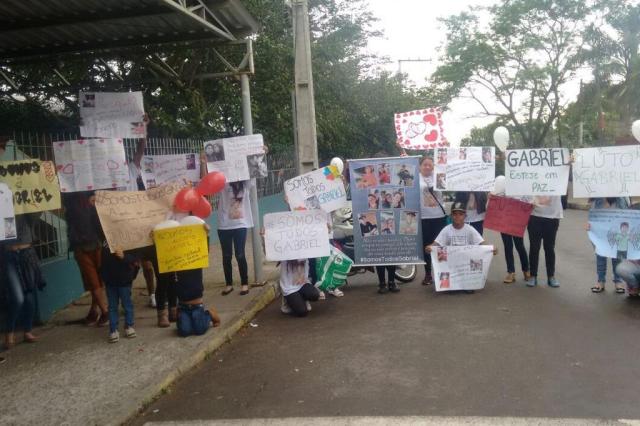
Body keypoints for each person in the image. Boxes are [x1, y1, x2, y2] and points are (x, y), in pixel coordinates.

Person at [426, 202, 497, 293]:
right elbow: (436, 244)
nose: (457, 217)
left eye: (460, 214)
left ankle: (469, 283)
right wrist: (430, 247)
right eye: (454, 214)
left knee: (475, 257)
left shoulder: (470, 229)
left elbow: (481, 243)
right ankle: (450, 284)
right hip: (452, 263)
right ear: (451, 216)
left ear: (465, 216)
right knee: (442, 257)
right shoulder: (446, 229)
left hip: (465, 264)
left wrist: (491, 249)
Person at [63, 191, 109, 327]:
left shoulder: (70, 198)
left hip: (86, 244)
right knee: (96, 281)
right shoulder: (90, 196)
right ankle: (95, 311)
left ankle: (105, 312)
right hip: (93, 242)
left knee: (94, 282)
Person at [1, 213, 45, 349]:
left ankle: (27, 330)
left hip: (27, 253)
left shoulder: (26, 209)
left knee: (30, 296)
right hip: (9, 255)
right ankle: (9, 332)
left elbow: (35, 216)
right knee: (18, 298)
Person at [491, 176, 531, 284]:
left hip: (517, 220)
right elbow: (495, 197)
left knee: (519, 246)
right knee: (508, 246)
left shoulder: (524, 182)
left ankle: (526, 270)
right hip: (504, 219)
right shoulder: (502, 180)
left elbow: (528, 201)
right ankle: (511, 272)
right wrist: (492, 195)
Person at [586, 197, 629, 293]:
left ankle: (618, 282)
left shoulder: (621, 198)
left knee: (617, 257)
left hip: (617, 230)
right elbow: (592, 215)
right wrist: (589, 224)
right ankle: (600, 281)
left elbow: (627, 215)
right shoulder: (597, 198)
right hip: (600, 231)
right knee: (600, 255)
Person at [218, 180, 253, 296]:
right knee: (226, 256)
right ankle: (229, 284)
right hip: (224, 225)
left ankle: (244, 283)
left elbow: (253, 172)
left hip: (240, 224)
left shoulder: (245, 183)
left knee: (240, 254)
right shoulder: (223, 182)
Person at [100, 245, 140, 343]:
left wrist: (124, 257)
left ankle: (129, 326)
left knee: (127, 305)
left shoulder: (127, 240)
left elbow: (135, 257)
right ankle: (113, 330)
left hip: (124, 281)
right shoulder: (105, 241)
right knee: (112, 306)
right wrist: (104, 277)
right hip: (110, 282)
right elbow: (102, 260)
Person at [418, 155, 447, 286]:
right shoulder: (415, 178)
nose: (428, 167)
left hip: (439, 217)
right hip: (423, 218)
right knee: (427, 247)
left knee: (440, 246)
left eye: (430, 164)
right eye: (425, 164)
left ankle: (442, 274)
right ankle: (428, 274)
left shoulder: (439, 176)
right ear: (420, 166)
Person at [526, 195, 563, 288]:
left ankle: (551, 276)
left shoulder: (558, 181)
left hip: (552, 217)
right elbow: (525, 190)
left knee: (549, 248)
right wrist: (532, 200)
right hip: (534, 216)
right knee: (534, 248)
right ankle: (533, 276)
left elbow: (563, 188)